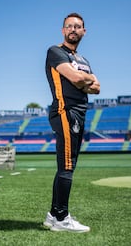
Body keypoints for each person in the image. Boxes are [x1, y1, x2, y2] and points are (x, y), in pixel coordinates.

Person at [44, 12, 100, 233]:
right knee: (67, 166)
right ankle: (61, 218)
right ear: (62, 30)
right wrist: (84, 79)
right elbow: (78, 79)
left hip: (80, 112)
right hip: (64, 111)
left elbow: (97, 87)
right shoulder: (55, 52)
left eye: (78, 27)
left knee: (67, 165)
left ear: (84, 31)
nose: (73, 30)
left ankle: (53, 214)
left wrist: (83, 80)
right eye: (69, 26)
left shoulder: (83, 60)